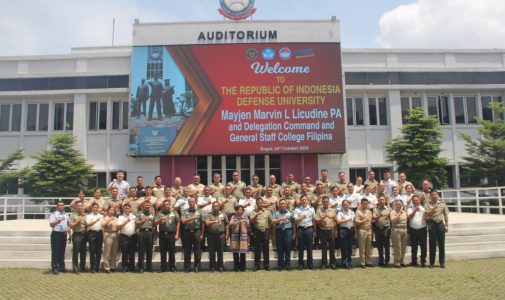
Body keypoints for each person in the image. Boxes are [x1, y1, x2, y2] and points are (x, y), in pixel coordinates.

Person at [425, 190, 449, 268]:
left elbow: (445, 215)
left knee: (441, 244)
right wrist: (433, 208)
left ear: (437, 195)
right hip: (432, 224)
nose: (434, 195)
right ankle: (432, 262)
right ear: (430, 196)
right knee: (432, 244)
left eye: (435, 194)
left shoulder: (442, 204)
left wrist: (446, 225)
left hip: (440, 224)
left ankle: (442, 262)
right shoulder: (428, 204)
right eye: (433, 194)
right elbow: (427, 214)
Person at [155, 199, 180, 272]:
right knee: (163, 251)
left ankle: (172, 267)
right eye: (165, 204)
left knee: (171, 251)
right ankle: (163, 267)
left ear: (170, 205)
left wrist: (177, 234)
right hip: (162, 234)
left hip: (171, 234)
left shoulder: (174, 213)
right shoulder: (160, 213)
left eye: (167, 204)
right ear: (163, 205)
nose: (166, 206)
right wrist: (160, 219)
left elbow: (178, 223)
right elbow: (155, 223)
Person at [181, 197, 204, 272]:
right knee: (187, 250)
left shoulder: (199, 211)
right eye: (190, 202)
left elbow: (202, 223)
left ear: (195, 202)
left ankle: (197, 267)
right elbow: (183, 221)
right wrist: (192, 217)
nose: (191, 203)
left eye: (193, 201)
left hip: (197, 231)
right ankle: (187, 267)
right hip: (187, 232)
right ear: (188, 203)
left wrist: (202, 234)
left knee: (197, 250)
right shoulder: (184, 211)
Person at [205, 201, 229, 272]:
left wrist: (227, 234)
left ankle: (220, 266)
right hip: (211, 235)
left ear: (219, 207)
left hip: (221, 235)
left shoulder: (223, 214)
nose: (215, 207)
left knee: (220, 251)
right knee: (211, 252)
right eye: (214, 206)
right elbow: (207, 223)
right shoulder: (209, 215)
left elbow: (227, 224)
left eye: (217, 206)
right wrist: (215, 221)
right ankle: (212, 267)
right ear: (212, 207)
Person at [271, 199, 295, 271]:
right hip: (279, 231)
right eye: (281, 204)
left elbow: (293, 223)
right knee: (280, 249)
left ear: (286, 205)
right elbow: (272, 222)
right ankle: (280, 266)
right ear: (279, 205)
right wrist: (281, 218)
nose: (282, 205)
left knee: (288, 249)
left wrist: (294, 233)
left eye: (284, 204)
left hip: (288, 231)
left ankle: (288, 265)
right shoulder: (276, 213)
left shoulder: (290, 213)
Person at [294, 195, 315, 270]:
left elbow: (313, 220)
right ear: (300, 201)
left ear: (307, 200)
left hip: (309, 229)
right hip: (301, 229)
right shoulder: (297, 210)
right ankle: (301, 264)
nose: (304, 201)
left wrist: (314, 230)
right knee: (301, 248)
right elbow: (296, 221)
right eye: (302, 200)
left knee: (309, 247)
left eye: (305, 199)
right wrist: (302, 217)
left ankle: (310, 264)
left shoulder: (311, 209)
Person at [315, 196, 337, 269]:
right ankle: (324, 263)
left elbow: (335, 221)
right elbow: (317, 222)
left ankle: (332, 263)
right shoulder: (319, 211)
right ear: (322, 202)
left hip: (331, 230)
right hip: (322, 230)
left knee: (332, 247)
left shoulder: (333, 210)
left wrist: (336, 230)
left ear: (329, 202)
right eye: (324, 201)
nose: (325, 202)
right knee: (324, 248)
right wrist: (323, 217)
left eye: (327, 201)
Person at [250, 198, 272, 271]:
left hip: (266, 231)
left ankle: (267, 265)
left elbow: (270, 222)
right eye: (258, 203)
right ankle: (257, 265)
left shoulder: (267, 212)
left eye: (261, 203)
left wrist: (270, 232)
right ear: (256, 204)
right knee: (257, 249)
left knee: (266, 249)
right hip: (257, 231)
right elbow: (251, 221)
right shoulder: (254, 211)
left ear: (263, 203)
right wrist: (256, 214)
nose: (259, 204)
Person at [49, 201, 69, 275]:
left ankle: (62, 267)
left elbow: (68, 224)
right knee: (55, 252)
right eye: (60, 205)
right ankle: (55, 267)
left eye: (63, 205)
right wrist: (58, 220)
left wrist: (69, 233)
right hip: (56, 234)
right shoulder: (54, 214)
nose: (61, 206)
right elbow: (51, 224)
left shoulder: (66, 214)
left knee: (62, 251)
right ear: (57, 206)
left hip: (64, 234)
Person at [407, 195, 427, 267]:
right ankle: (414, 261)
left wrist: (422, 211)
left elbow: (426, 216)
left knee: (423, 246)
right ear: (412, 201)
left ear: (419, 200)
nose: (416, 201)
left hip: (422, 229)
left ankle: (423, 261)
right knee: (414, 246)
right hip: (413, 229)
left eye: (417, 200)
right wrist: (415, 210)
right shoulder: (410, 208)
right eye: (414, 200)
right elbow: (409, 217)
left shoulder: (423, 208)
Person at [135, 201, 155, 273]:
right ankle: (140, 268)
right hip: (142, 232)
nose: (147, 206)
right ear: (143, 206)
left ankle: (149, 267)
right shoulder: (139, 213)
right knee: (141, 251)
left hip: (150, 232)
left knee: (149, 251)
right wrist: (143, 220)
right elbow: (136, 223)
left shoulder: (152, 214)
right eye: (146, 205)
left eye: (148, 205)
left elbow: (154, 224)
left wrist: (154, 234)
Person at [229, 205, 249, 272]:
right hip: (235, 235)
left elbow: (248, 224)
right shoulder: (233, 216)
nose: (240, 211)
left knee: (243, 252)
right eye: (238, 209)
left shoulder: (245, 216)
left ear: (243, 211)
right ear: (236, 210)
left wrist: (244, 222)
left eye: (241, 210)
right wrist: (237, 222)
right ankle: (236, 267)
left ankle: (242, 268)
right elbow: (230, 223)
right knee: (235, 252)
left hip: (243, 235)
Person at [373, 195, 391, 266]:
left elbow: (391, 218)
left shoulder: (389, 209)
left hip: (386, 228)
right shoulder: (375, 209)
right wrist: (378, 216)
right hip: (378, 228)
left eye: (383, 200)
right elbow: (374, 218)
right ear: (378, 201)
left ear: (385, 201)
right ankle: (381, 260)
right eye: (380, 200)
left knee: (386, 245)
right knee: (379, 245)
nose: (381, 201)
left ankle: (387, 261)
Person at [117, 204, 137, 272]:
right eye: (125, 208)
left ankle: (132, 267)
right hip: (124, 237)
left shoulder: (134, 216)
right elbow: (119, 227)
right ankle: (124, 267)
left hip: (132, 237)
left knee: (132, 253)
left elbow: (137, 225)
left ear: (130, 209)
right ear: (123, 209)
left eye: (128, 208)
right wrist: (126, 222)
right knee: (124, 253)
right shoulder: (120, 217)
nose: (126, 209)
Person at [69, 200, 87, 274]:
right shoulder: (73, 215)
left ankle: (82, 267)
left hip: (84, 235)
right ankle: (75, 268)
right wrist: (77, 221)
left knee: (83, 252)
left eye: (81, 206)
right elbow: (71, 226)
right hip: (76, 234)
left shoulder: (85, 216)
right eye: (78, 206)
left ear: (83, 207)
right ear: (76, 207)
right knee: (76, 252)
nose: (80, 207)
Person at [355, 198, 373, 268]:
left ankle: (368, 261)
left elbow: (371, 222)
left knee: (368, 247)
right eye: (364, 204)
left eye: (366, 203)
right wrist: (364, 220)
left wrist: (372, 230)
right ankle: (362, 263)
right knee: (362, 248)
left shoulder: (369, 212)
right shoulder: (358, 212)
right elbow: (356, 222)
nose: (365, 205)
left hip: (369, 230)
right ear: (361, 204)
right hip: (362, 230)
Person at [337, 200, 355, 269]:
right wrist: (347, 219)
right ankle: (345, 263)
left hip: (351, 230)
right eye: (344, 205)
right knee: (344, 247)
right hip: (343, 230)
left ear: (349, 205)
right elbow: (338, 221)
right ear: (342, 206)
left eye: (347, 204)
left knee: (349, 247)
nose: (346, 206)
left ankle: (349, 262)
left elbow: (353, 222)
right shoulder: (340, 213)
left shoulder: (352, 212)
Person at [86, 203, 103, 273]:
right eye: (94, 207)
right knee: (92, 251)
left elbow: (103, 226)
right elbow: (88, 224)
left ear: (98, 208)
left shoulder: (101, 216)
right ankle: (92, 267)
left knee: (98, 251)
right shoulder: (89, 216)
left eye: (97, 207)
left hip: (99, 233)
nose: (95, 209)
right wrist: (96, 220)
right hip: (92, 233)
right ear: (92, 208)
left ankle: (97, 267)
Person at [102, 206, 119, 273]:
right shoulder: (105, 218)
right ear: (108, 210)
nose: (112, 211)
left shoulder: (116, 218)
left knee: (114, 252)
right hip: (108, 234)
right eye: (111, 210)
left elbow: (118, 226)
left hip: (115, 234)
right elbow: (103, 226)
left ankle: (113, 266)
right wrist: (109, 220)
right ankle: (106, 267)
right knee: (107, 252)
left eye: (113, 210)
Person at [391, 199, 408, 268]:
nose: (398, 206)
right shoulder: (393, 212)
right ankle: (396, 262)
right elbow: (393, 221)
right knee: (397, 247)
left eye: (400, 204)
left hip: (404, 229)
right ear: (395, 205)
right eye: (397, 204)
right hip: (396, 230)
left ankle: (402, 261)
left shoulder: (404, 212)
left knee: (403, 247)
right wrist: (399, 214)